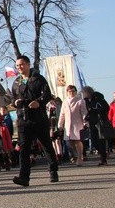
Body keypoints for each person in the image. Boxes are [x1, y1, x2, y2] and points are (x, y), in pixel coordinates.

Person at [10, 55, 59, 187]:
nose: (19, 67)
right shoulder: (16, 82)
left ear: (27, 64)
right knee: (24, 149)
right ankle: (24, 177)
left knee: (46, 145)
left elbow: (47, 94)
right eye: (17, 65)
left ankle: (53, 171)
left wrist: (39, 102)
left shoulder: (38, 79)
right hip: (23, 119)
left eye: (22, 65)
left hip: (38, 118)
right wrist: (15, 102)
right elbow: (11, 98)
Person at [58, 85, 88, 166]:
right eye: (69, 91)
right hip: (68, 125)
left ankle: (79, 157)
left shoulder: (80, 101)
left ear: (76, 91)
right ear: (67, 92)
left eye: (73, 91)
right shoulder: (65, 101)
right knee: (69, 142)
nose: (71, 93)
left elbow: (84, 113)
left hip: (78, 124)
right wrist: (60, 125)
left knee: (78, 141)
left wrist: (85, 122)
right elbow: (62, 114)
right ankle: (76, 154)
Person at [82, 86, 110, 165]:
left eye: (84, 92)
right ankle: (103, 154)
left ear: (88, 92)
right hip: (91, 122)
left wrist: (95, 110)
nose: (83, 94)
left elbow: (106, 108)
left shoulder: (98, 99)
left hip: (100, 122)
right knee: (94, 141)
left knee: (101, 140)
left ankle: (103, 159)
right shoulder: (85, 101)